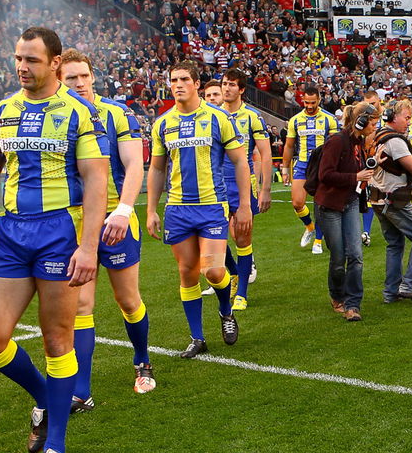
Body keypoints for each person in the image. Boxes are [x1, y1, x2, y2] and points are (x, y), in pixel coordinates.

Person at [0, 27, 109, 453]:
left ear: (55, 63)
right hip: (10, 234)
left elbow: (96, 182)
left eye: (31, 60)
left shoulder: (79, 113)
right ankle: (43, 397)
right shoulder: (2, 111)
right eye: (18, 58)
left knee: (58, 342)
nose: (21, 67)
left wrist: (88, 246)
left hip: (58, 234)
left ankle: (55, 448)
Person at [59, 49, 153, 402]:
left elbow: (133, 166)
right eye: (71, 78)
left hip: (116, 220)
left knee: (127, 300)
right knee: (81, 306)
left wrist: (125, 210)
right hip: (75, 225)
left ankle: (142, 361)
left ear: (93, 76)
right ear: (59, 81)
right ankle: (81, 390)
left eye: (84, 76)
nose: (80, 83)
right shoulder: (58, 116)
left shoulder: (117, 112)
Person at [147, 61, 251, 358]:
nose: (177, 84)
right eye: (173, 80)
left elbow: (240, 162)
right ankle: (197, 338)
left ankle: (225, 311)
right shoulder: (162, 124)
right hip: (178, 209)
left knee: (214, 270)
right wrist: (152, 209)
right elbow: (156, 169)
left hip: (211, 207)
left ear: (196, 83)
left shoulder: (219, 119)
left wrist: (243, 205)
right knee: (187, 273)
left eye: (183, 79)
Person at [368, 99, 412, 303]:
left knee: (395, 244)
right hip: (395, 200)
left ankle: (390, 294)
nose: (409, 122)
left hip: (378, 199)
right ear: (393, 116)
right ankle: (409, 285)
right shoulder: (396, 141)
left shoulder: (379, 135)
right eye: (407, 118)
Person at [312, 105, 374, 321]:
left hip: (350, 202)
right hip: (329, 205)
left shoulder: (359, 143)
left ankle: (353, 304)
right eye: (373, 123)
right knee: (338, 258)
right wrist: (356, 177)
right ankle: (337, 295)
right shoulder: (337, 141)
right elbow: (325, 174)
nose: (375, 128)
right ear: (361, 122)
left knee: (355, 255)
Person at [220, 67, 273, 311]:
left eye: (232, 84)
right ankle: (234, 272)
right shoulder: (212, 115)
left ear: (241, 89)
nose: (227, 88)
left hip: (243, 184)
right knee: (216, 238)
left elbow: (265, 152)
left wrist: (265, 189)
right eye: (224, 84)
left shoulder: (252, 117)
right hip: (216, 185)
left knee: (241, 237)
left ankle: (241, 292)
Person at [283, 85, 336, 255]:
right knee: (297, 202)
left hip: (322, 165)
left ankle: (319, 241)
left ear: (319, 100)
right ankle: (310, 227)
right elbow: (289, 146)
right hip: (303, 163)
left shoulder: (330, 119)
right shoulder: (295, 120)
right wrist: (285, 169)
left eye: (313, 102)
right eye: (306, 102)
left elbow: (336, 145)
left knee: (320, 204)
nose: (310, 106)